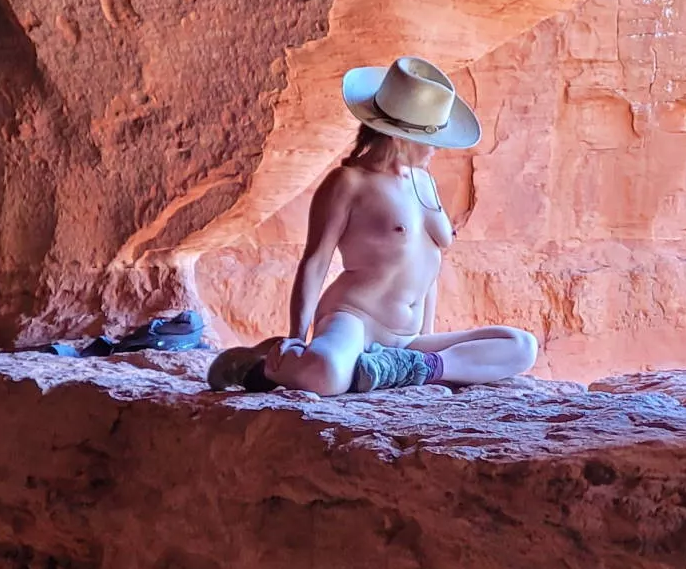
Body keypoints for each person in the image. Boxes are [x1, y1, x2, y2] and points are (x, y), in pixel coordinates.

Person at [208, 56, 539, 395]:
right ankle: (261, 364)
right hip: (354, 320)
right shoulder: (348, 182)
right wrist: (296, 337)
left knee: (521, 345)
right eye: (431, 139)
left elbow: (428, 265)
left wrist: (426, 337)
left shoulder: (424, 182)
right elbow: (316, 260)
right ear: (399, 137)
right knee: (324, 374)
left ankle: (417, 369)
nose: (438, 149)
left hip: (405, 341)